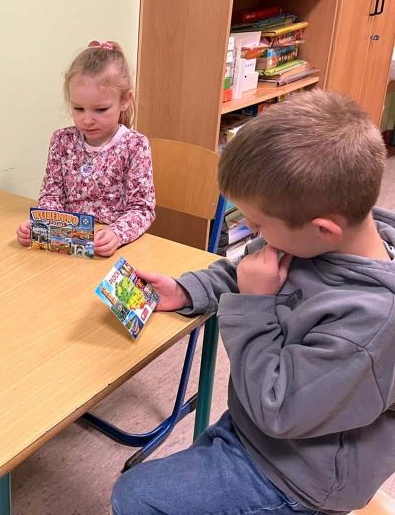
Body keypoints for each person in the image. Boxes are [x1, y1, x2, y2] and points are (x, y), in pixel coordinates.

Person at [111, 89, 395, 515]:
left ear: (323, 229)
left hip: (297, 476)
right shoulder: (309, 241)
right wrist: (186, 290)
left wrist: (255, 307)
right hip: (256, 425)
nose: (249, 229)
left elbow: (278, 409)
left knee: (133, 497)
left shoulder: (370, 326)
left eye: (258, 224)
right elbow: (250, 270)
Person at [16, 40, 155, 257]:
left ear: (125, 101)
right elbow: (51, 195)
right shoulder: (62, 141)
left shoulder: (135, 145)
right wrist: (41, 227)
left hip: (112, 250)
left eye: (100, 109)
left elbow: (142, 209)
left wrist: (116, 234)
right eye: (78, 108)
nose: (87, 120)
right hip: (68, 247)